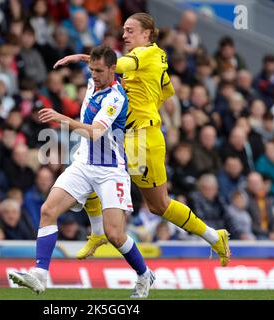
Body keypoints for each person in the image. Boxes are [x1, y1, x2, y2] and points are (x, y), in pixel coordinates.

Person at [54, 12, 230, 266]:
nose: (124, 35)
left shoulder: (144, 54)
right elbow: (166, 89)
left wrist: (83, 58)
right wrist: (143, 101)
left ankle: (214, 236)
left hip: (143, 140)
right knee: (88, 165)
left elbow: (119, 65)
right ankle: (98, 232)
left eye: (130, 31)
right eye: (124, 31)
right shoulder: (154, 58)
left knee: (160, 205)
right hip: (126, 135)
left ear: (147, 33)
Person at [8, 45, 155, 298]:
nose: (94, 75)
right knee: (48, 210)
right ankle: (39, 275)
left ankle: (144, 275)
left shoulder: (115, 97)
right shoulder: (95, 78)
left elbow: (95, 131)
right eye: (91, 70)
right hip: (84, 163)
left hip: (110, 170)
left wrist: (59, 117)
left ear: (112, 70)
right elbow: (99, 62)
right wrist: (79, 57)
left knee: (115, 235)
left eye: (99, 71)